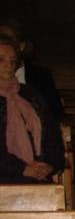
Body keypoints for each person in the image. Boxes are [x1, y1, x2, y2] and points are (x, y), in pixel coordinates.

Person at [0, 35, 60, 184]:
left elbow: (52, 135)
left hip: (36, 174)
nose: (8, 65)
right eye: (1, 60)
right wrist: (22, 168)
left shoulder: (30, 95)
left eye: (13, 60)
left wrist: (50, 165)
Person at [0, 18, 62, 121]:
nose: (4, 45)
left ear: (21, 46)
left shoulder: (41, 76)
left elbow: (54, 113)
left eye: (8, 40)